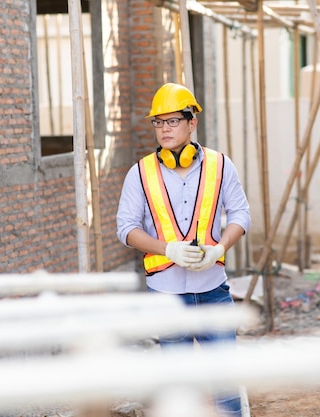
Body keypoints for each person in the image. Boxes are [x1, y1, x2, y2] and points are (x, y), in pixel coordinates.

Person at [116, 82, 251, 417]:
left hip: (213, 290)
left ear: (192, 123)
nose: (164, 129)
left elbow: (241, 214)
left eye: (172, 121)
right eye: (158, 122)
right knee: (178, 390)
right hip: (166, 294)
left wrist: (219, 246)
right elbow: (126, 229)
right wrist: (168, 249)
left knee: (225, 382)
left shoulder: (221, 165)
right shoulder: (140, 173)